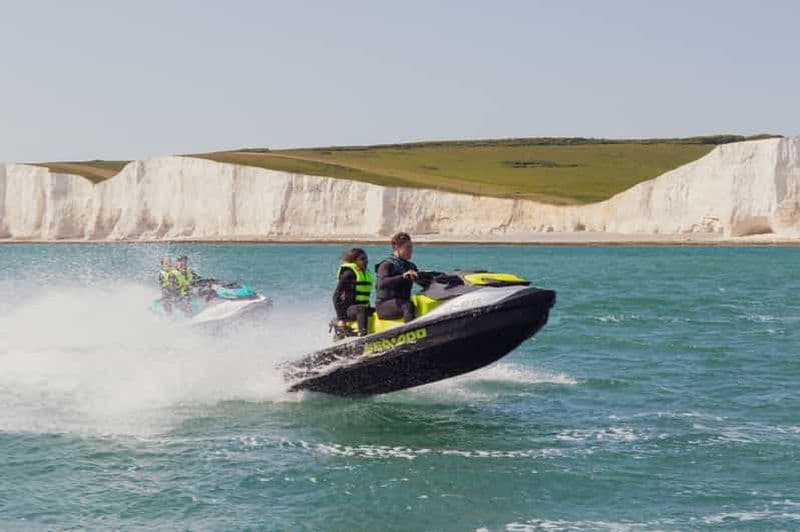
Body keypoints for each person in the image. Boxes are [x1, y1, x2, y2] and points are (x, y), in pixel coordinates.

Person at [375, 232, 420, 322]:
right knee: (407, 305)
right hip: (384, 306)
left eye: (411, 247)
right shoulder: (386, 265)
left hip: (401, 302)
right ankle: (409, 331)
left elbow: (422, 279)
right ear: (396, 248)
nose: (410, 250)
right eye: (407, 247)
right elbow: (382, 283)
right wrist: (402, 276)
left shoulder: (411, 266)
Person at [332, 248, 374, 336]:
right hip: (348, 310)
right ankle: (363, 335)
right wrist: (341, 319)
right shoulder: (349, 274)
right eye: (362, 259)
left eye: (366, 259)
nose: (366, 261)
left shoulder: (365, 273)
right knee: (360, 309)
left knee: (377, 310)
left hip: (361, 308)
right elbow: (336, 296)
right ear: (354, 261)